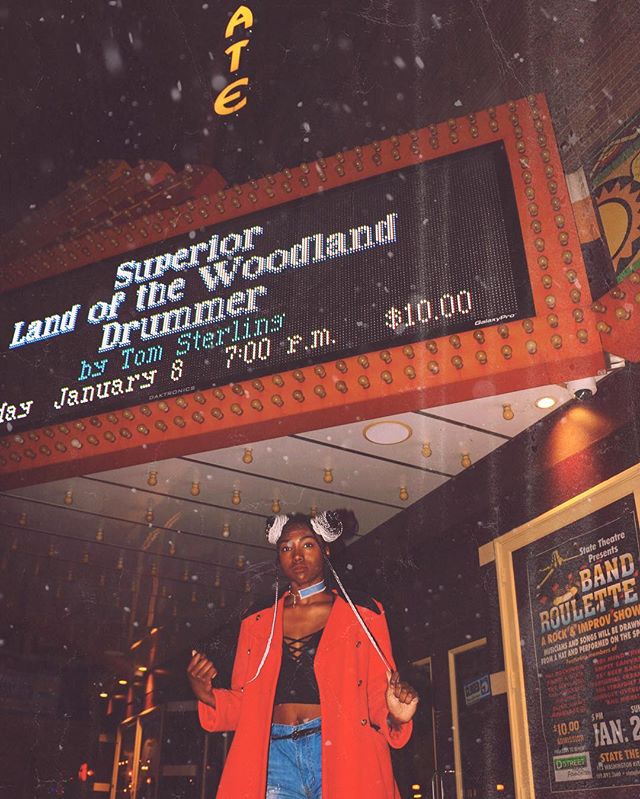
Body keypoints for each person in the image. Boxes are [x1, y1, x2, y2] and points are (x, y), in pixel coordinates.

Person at [187, 509, 418, 799]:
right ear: (278, 558)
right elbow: (247, 703)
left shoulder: (362, 614)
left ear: (326, 549)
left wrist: (397, 715)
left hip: (342, 751)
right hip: (275, 755)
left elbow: (375, 695)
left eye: (307, 544)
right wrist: (205, 692)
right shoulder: (256, 620)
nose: (297, 555)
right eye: (286, 548)